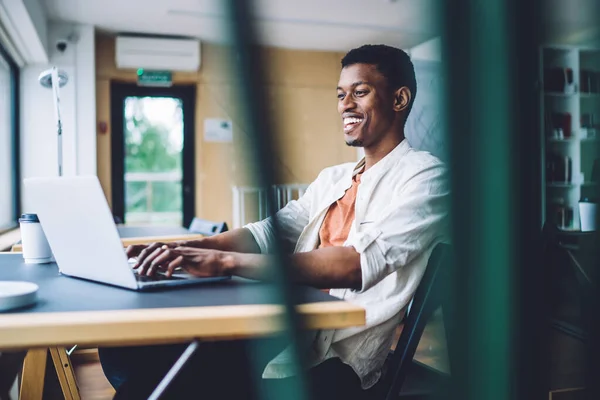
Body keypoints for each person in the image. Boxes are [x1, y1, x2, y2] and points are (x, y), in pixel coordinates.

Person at [99, 44, 449, 399]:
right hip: (285, 332)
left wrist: (224, 262)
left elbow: (357, 263)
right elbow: (269, 233)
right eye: (341, 95)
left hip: (336, 365)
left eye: (360, 92)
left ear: (399, 99)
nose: (345, 104)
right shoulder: (334, 177)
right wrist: (189, 248)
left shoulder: (426, 177)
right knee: (137, 358)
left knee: (163, 382)